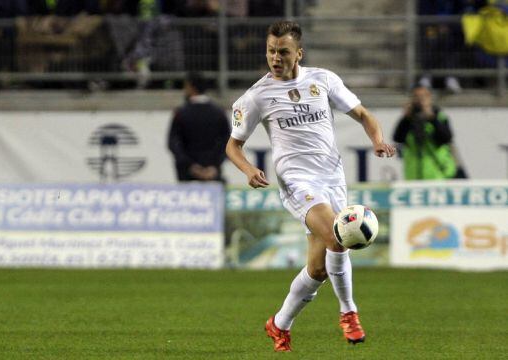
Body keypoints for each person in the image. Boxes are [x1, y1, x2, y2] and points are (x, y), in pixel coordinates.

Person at [225, 21, 396, 352]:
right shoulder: (255, 97)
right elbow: (233, 146)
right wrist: (247, 169)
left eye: (283, 52)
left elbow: (363, 114)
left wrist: (377, 140)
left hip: (332, 179)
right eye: (271, 51)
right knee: (339, 235)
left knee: (317, 269)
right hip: (296, 180)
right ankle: (349, 313)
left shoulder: (324, 80)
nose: (275, 57)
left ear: (298, 53)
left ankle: (279, 324)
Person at [168, 72, 230, 182]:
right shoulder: (219, 112)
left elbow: (173, 143)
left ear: (190, 87)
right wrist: (214, 165)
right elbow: (229, 142)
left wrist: (191, 166)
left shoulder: (181, 113)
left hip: (187, 175)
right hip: (213, 174)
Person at [392, 85, 464, 180]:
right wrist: (406, 118)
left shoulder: (439, 116)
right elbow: (398, 138)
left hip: (438, 175)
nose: (419, 101)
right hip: (414, 176)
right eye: (416, 97)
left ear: (429, 98)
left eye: (423, 97)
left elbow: (446, 138)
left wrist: (431, 118)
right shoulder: (408, 120)